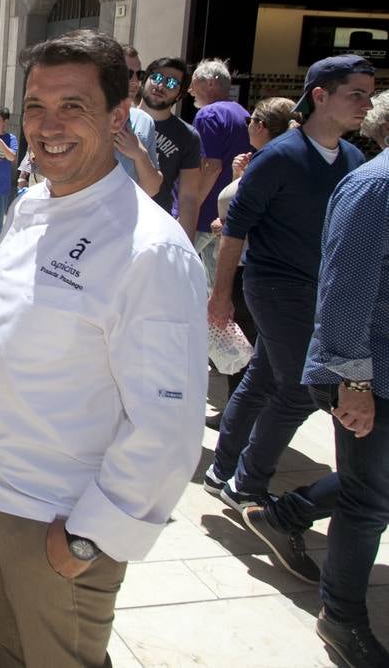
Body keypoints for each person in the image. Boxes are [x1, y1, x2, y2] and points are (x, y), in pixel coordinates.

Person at [0, 31, 207, 666]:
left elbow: (169, 426)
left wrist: (89, 539)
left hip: (56, 520)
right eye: (36, 106)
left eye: (73, 106)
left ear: (118, 116)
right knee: (8, 652)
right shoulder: (30, 207)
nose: (49, 125)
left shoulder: (150, 247)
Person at [239, 91, 389, 665]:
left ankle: (284, 514)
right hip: (368, 372)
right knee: (370, 500)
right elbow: (346, 287)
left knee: (373, 487)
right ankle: (342, 618)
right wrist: (352, 380)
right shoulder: (374, 186)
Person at [204, 56, 373, 513]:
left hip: (319, 289)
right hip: (274, 287)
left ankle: (221, 471)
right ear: (320, 95)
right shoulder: (278, 157)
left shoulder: (355, 159)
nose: (367, 103)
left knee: (262, 377)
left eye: (369, 93)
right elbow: (234, 229)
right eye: (356, 93)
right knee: (299, 388)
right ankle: (245, 483)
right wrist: (220, 296)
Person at [202, 96, 296, 430]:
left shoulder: (275, 164)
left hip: (249, 272)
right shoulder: (272, 162)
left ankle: (240, 415)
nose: (247, 126)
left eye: (251, 119)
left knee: (245, 350)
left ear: (261, 126)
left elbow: (255, 218)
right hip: (252, 270)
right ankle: (239, 411)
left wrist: (226, 225)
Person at [189, 58, 251, 282]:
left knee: (167, 269)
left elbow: (211, 166)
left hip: (203, 213)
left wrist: (191, 206)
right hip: (227, 213)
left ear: (211, 83)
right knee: (214, 284)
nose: (189, 89)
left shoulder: (208, 115)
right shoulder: (243, 114)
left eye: (194, 82)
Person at [138, 57, 203, 232]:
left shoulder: (188, 136)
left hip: (154, 224)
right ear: (144, 80)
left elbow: (188, 197)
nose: (161, 86)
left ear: (180, 95)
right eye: (157, 78)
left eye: (172, 83)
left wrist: (186, 245)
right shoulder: (119, 118)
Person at [113, 43, 163, 196]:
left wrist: (139, 154)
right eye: (128, 74)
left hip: (125, 214)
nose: (135, 81)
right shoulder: (89, 117)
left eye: (139, 74)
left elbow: (152, 189)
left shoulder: (144, 120)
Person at [0, 106, 17, 248]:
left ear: (5, 122)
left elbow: (11, 156)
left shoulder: (11, 138)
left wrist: (0, 143)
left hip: (1, 184)